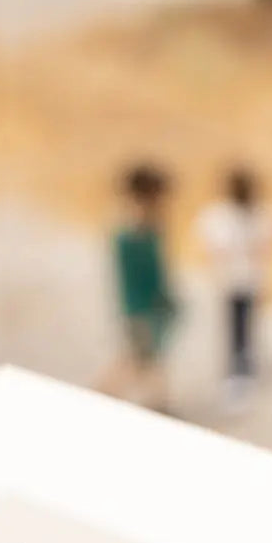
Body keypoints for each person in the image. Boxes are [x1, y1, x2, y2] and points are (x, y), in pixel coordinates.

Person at [197, 167, 272, 412]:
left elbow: (264, 250)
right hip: (233, 281)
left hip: (247, 281)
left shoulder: (256, 215)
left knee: (244, 329)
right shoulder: (224, 216)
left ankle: (242, 371)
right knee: (236, 329)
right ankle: (237, 372)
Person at [97, 164, 177, 412]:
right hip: (140, 306)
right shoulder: (134, 227)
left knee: (144, 358)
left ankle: (159, 404)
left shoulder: (147, 225)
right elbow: (136, 272)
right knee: (138, 359)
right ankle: (157, 405)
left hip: (147, 305)